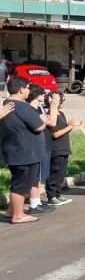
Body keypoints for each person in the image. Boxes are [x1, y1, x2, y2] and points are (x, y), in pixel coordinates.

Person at [1, 77, 50, 223]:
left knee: (19, 181)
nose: (29, 90)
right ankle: (18, 215)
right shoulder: (21, 106)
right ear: (21, 89)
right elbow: (39, 126)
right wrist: (42, 120)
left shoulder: (5, 104)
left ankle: (11, 211)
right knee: (22, 183)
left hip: (15, 149)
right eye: (28, 88)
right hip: (25, 151)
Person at [45, 91, 78, 206]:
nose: (63, 102)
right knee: (54, 173)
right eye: (61, 100)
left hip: (64, 148)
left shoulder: (61, 114)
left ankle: (58, 194)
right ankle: (51, 196)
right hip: (56, 149)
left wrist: (70, 126)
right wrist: (70, 126)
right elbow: (56, 134)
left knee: (61, 173)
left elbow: (64, 130)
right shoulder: (50, 114)